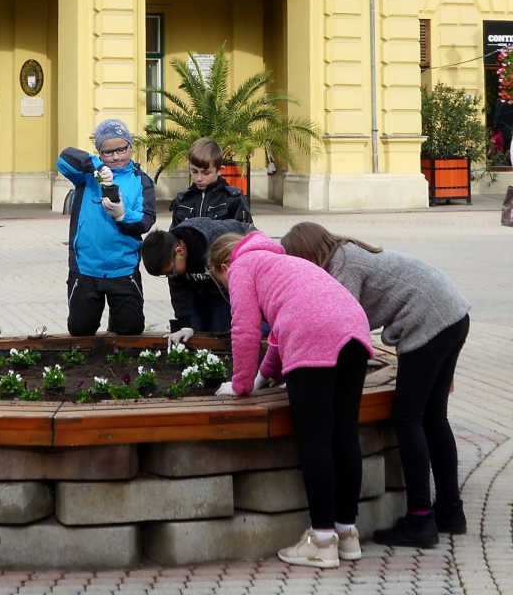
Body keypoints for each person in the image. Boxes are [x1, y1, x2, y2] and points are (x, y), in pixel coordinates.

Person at [281, 221, 471, 546]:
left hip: (427, 320)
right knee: (432, 416)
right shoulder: (344, 253)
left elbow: (341, 321)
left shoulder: (342, 266)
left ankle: (421, 521)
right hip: (452, 314)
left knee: (408, 418)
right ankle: (451, 512)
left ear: (307, 254)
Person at [207, 231, 373, 570]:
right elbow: (283, 334)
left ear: (224, 265)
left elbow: (245, 330)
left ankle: (322, 541)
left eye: (221, 281)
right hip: (355, 330)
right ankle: (347, 533)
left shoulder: (241, 267)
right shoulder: (285, 263)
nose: (227, 287)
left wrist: (240, 386)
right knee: (344, 433)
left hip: (313, 335)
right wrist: (262, 377)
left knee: (316, 440)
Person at [57, 118, 156, 336]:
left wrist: (122, 215)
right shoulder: (86, 177)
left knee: (130, 330)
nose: (116, 156)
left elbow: (146, 219)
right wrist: (97, 166)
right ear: (99, 152)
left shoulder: (142, 181)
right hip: (85, 269)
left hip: (123, 268)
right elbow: (64, 158)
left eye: (121, 149)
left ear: (130, 146)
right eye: (107, 152)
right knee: (80, 329)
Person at [142, 217, 250, 340]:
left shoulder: (213, 243)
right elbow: (178, 291)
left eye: (170, 272)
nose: (171, 276)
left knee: (224, 330)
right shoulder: (169, 255)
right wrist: (185, 325)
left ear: (179, 251)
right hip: (199, 289)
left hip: (228, 286)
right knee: (196, 329)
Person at [169, 138, 252, 227]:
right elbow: (174, 238)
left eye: (206, 173)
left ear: (220, 170)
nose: (199, 178)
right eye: (194, 171)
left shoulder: (234, 199)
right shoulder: (182, 201)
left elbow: (248, 236)